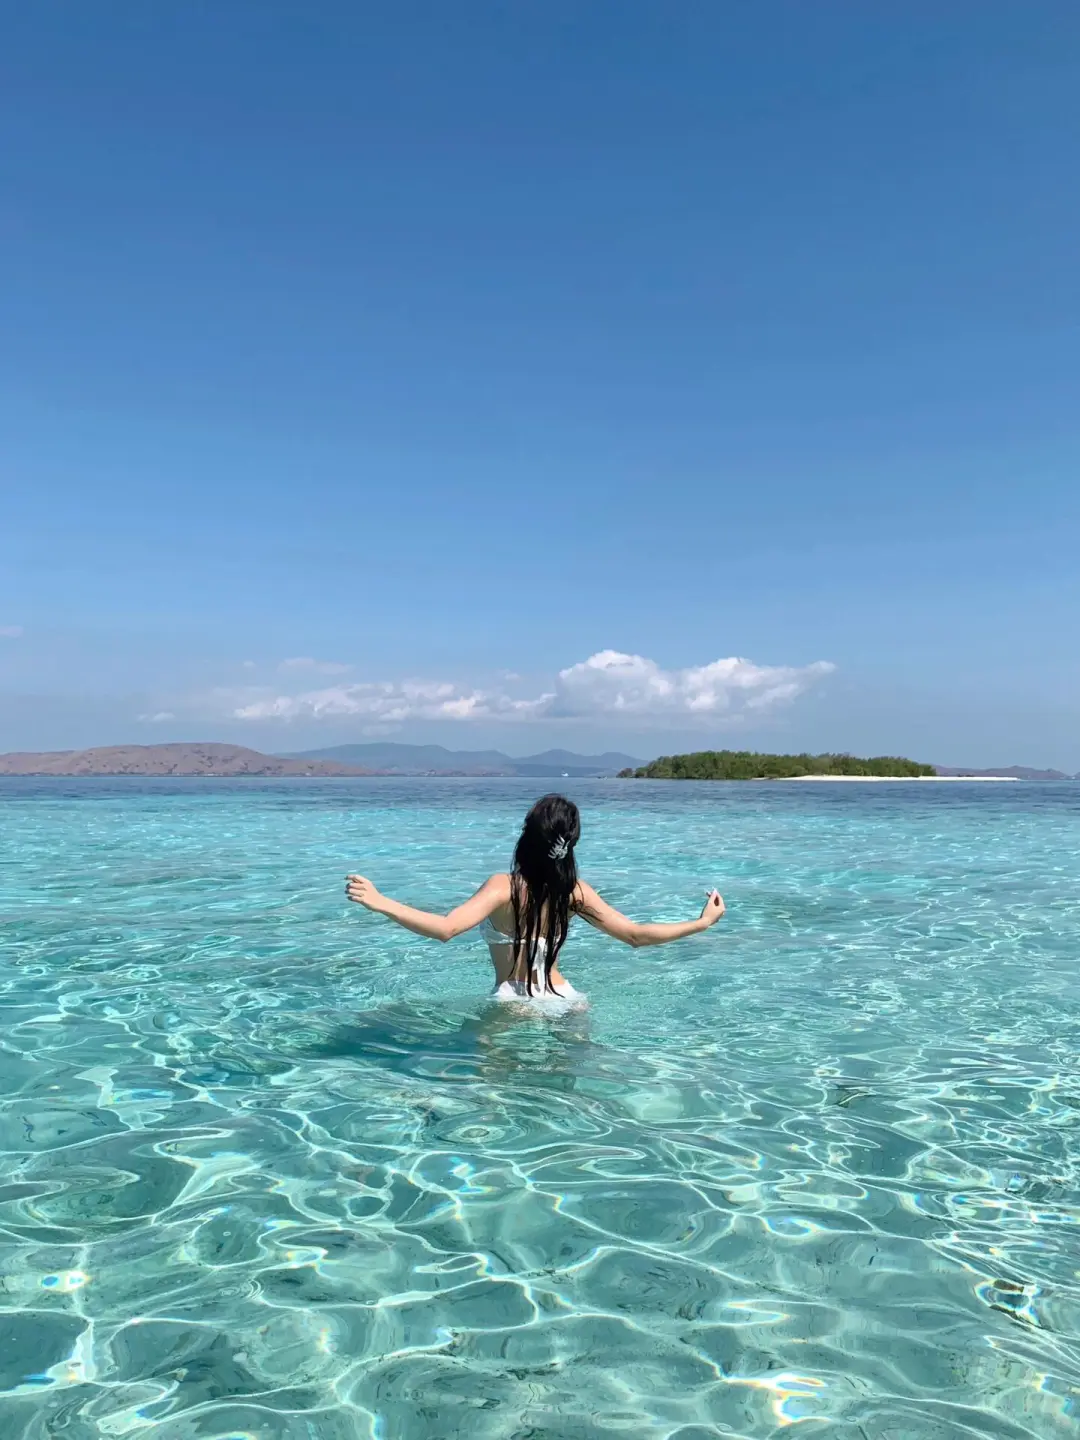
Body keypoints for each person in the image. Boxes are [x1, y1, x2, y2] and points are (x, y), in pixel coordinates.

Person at [345, 793, 725, 1003]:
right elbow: (636, 936)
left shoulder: (503, 887)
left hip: (513, 1001)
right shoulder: (575, 892)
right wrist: (702, 923)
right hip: (567, 999)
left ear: (527, 837)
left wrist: (381, 901)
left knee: (489, 1098)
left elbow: (446, 929)